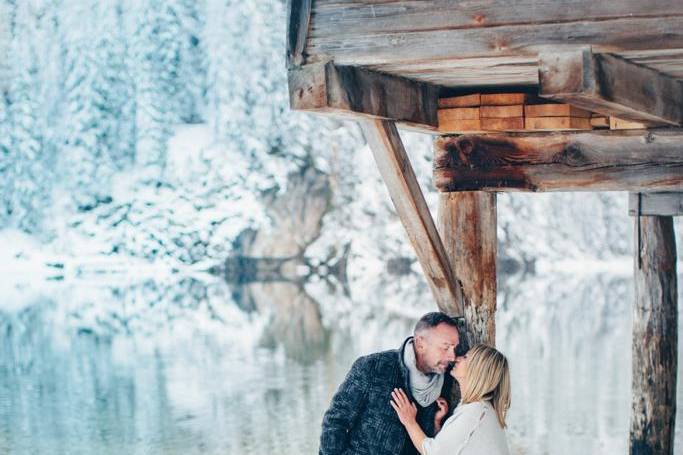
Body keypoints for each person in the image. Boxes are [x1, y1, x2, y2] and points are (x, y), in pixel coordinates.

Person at [319, 312, 461, 455]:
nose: (452, 356)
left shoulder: (447, 381)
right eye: (445, 347)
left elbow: (429, 447)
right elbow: (335, 421)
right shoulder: (373, 367)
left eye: (454, 348)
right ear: (420, 344)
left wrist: (436, 425)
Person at [390, 343, 511, 455]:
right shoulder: (481, 409)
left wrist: (409, 421)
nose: (456, 359)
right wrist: (438, 426)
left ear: (477, 370)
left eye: (465, 358)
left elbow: (433, 453)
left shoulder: (475, 411)